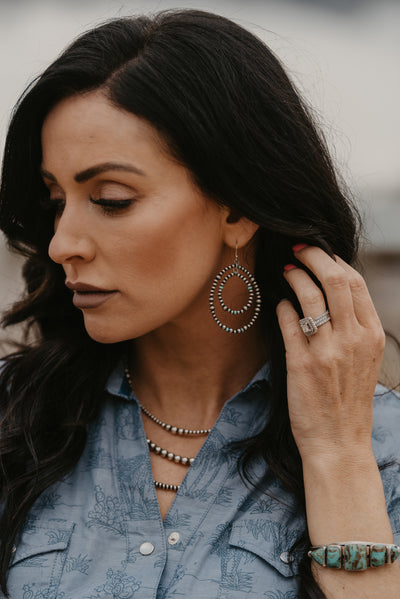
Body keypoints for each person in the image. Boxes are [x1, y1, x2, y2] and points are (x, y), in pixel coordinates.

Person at [0, 9, 399, 599]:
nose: (62, 244)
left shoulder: (383, 449)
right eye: (56, 201)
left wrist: (337, 456)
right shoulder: (15, 420)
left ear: (236, 211)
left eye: (111, 199)